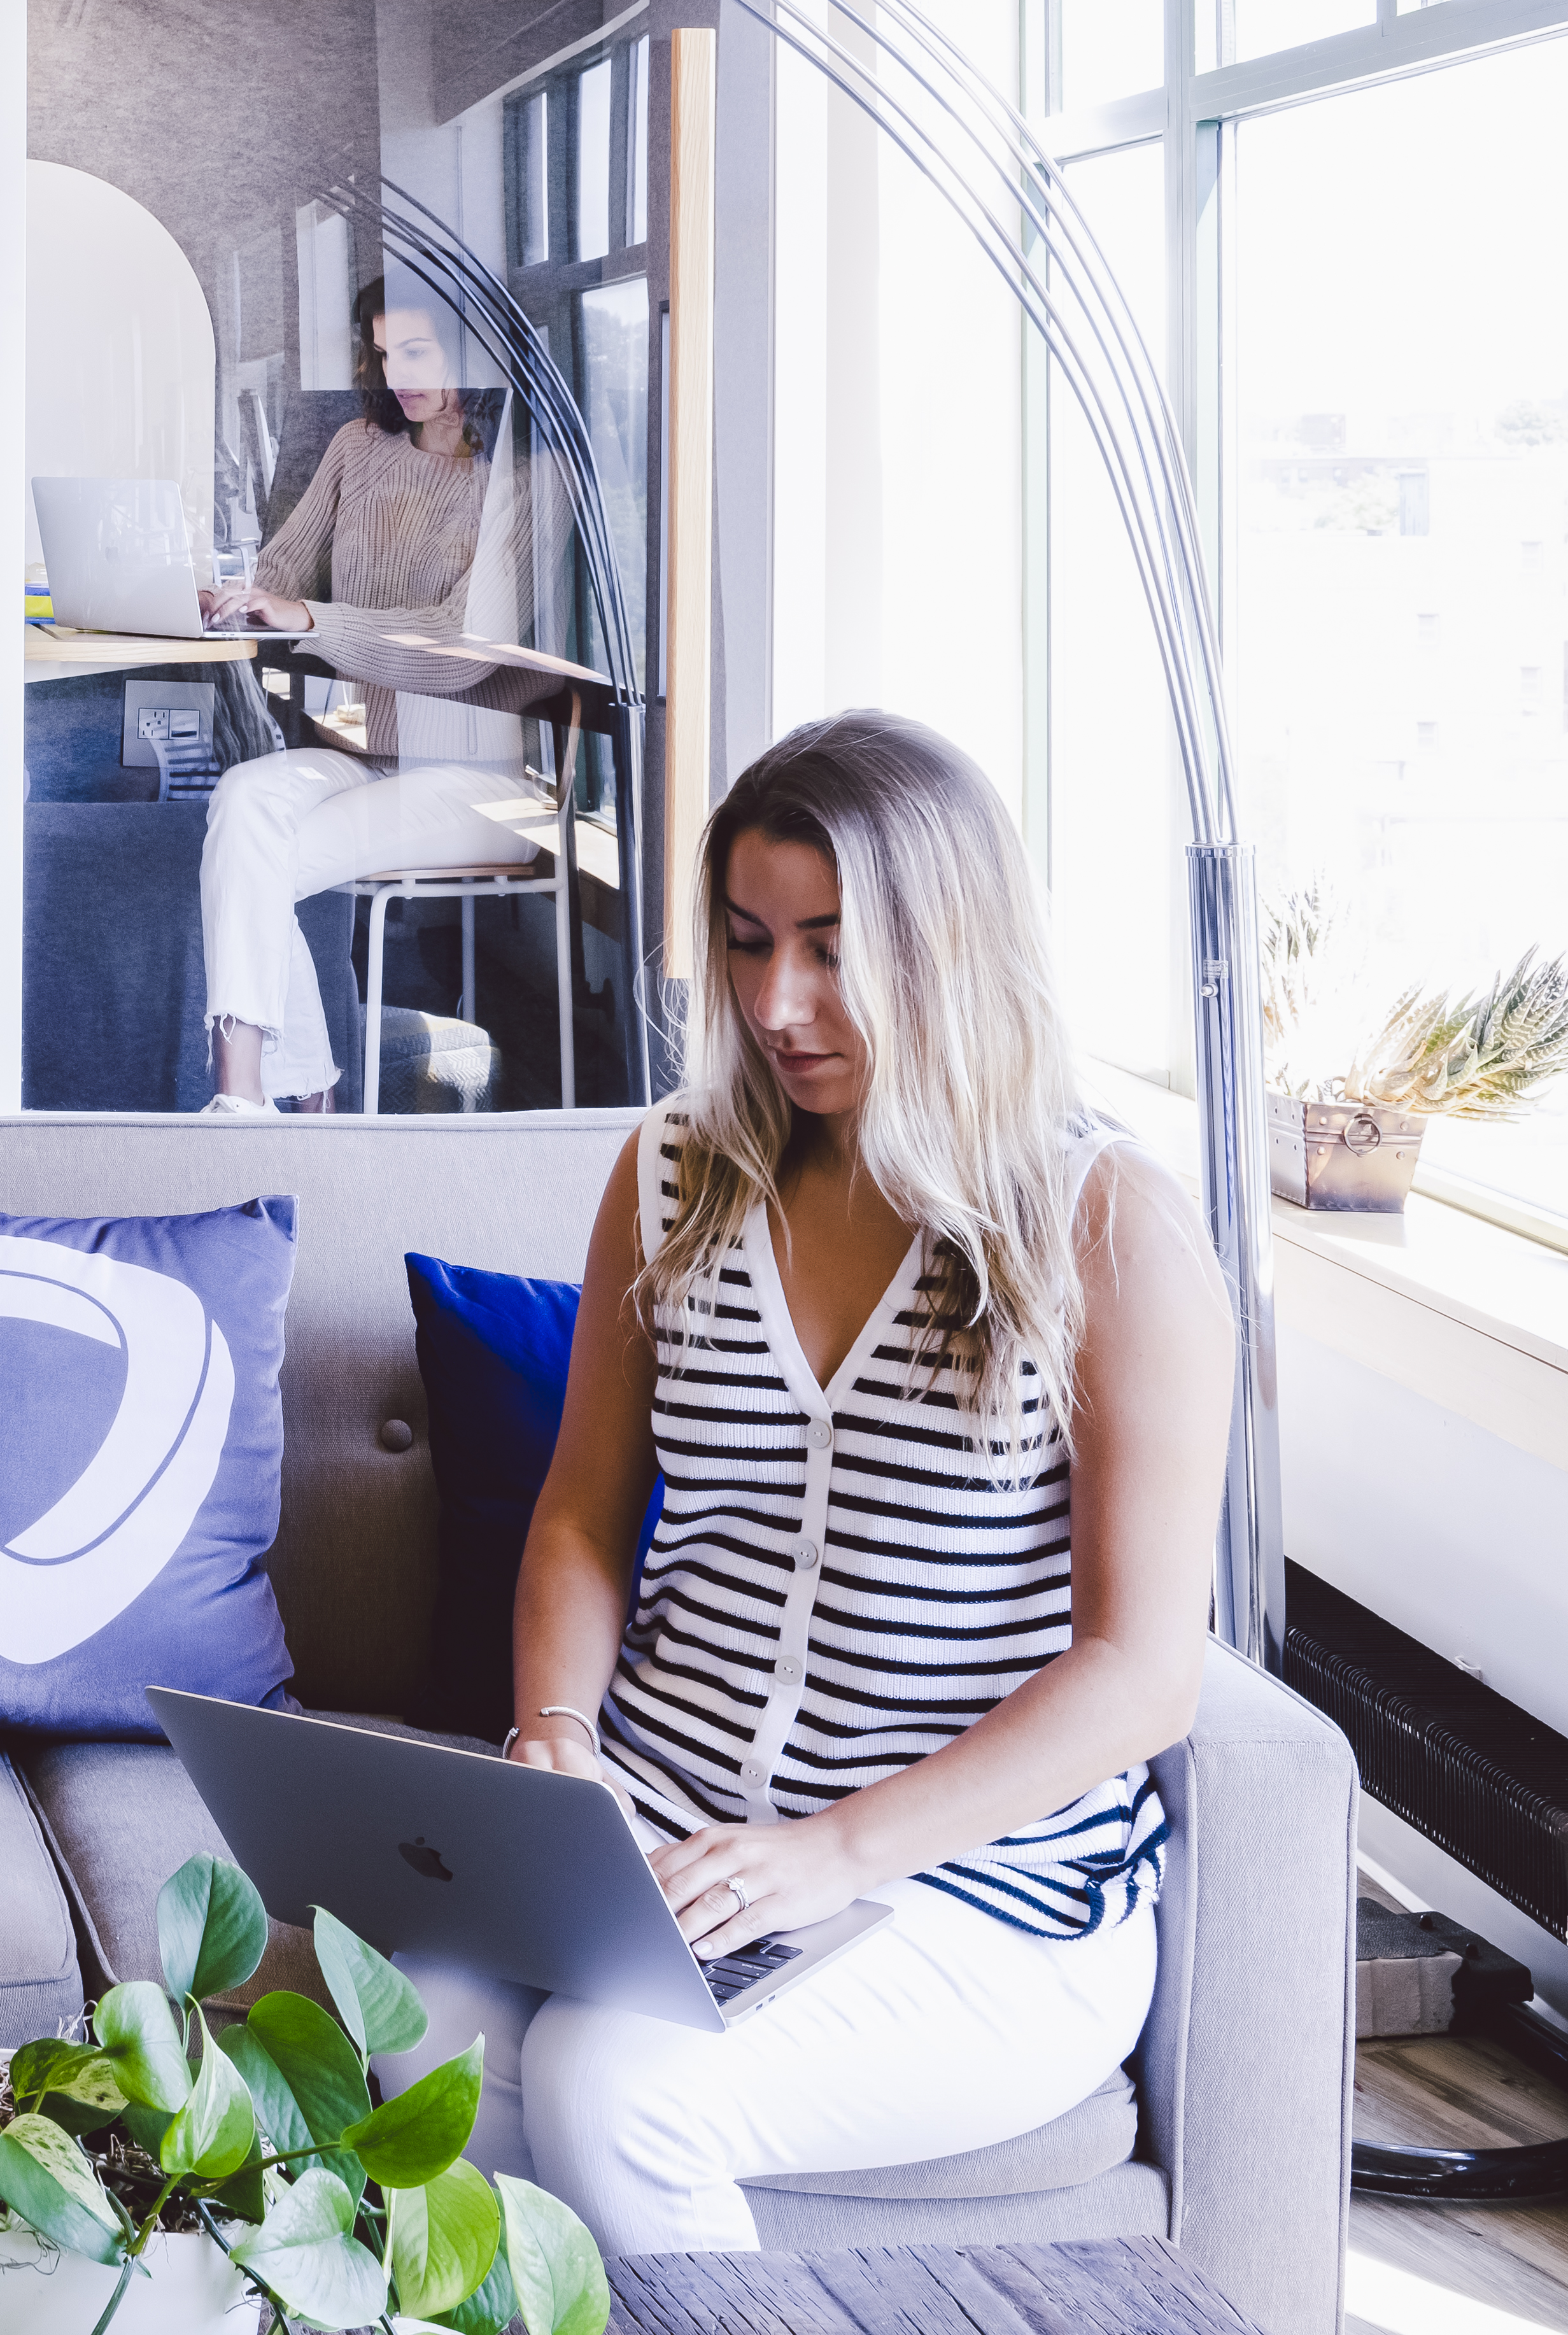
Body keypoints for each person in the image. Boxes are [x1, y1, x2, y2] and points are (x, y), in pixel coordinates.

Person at [394, 709, 1229, 2254]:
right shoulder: (669, 1173)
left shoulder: (1103, 1227)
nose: (777, 1003)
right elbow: (579, 1510)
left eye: (832, 950)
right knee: (406, 2023)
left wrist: (827, 1855)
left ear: (950, 944)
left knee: (613, 2084)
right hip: (659, 1834)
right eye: (744, 942)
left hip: (967, 1895)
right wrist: (554, 1739)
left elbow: (1139, 1676)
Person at [193, 276, 528, 1111]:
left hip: (478, 781)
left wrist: (308, 616)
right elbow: (282, 571)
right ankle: (255, 1102)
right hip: (368, 752)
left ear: (469, 348)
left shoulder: (511, 479)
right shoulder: (358, 447)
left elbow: (459, 652)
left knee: (252, 873)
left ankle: (293, 1098)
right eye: (383, 355)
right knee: (244, 801)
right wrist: (227, 594)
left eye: (416, 352)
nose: (397, 374)